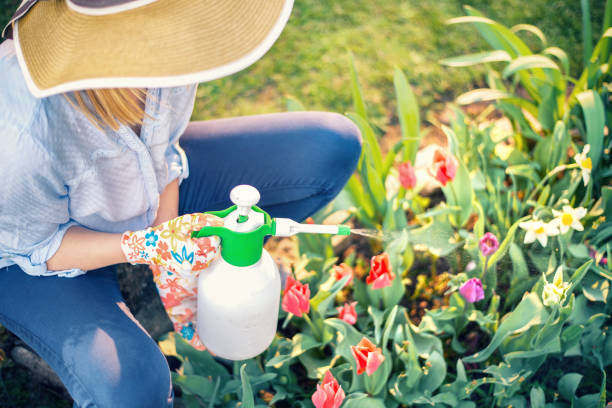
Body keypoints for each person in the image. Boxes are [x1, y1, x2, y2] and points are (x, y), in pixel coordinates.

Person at [0, 1, 362, 406]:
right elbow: (33, 247)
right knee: (133, 389)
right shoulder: (21, 130)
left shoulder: (171, 45)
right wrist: (140, 246)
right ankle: (74, 354)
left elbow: (165, 148)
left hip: (142, 191)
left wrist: (166, 235)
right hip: (41, 255)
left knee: (328, 147)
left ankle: (181, 278)